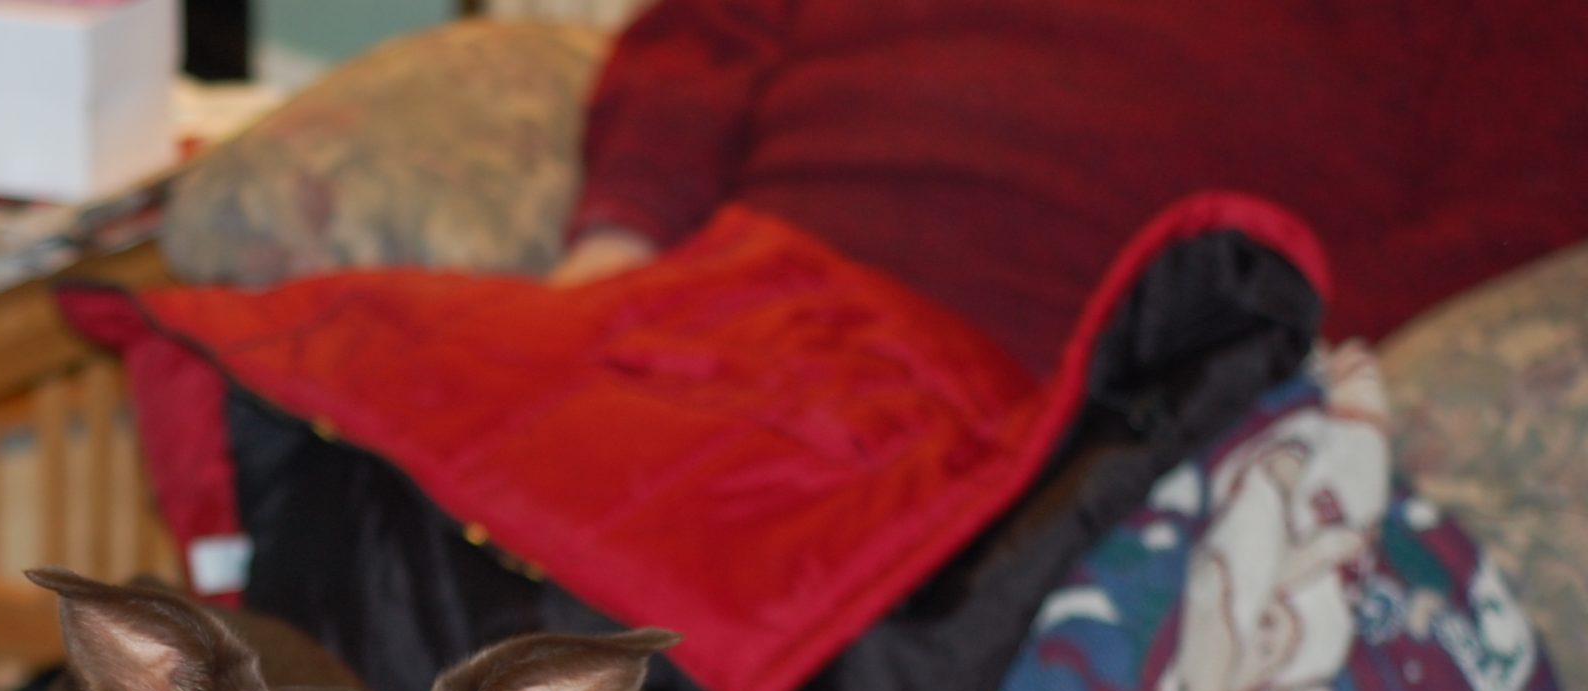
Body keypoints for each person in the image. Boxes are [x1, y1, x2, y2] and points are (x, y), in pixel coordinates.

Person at [543, 0, 1588, 375]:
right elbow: (706, 33)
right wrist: (622, 239)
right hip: (715, 328)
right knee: (378, 379)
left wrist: (1215, 356)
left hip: (1050, 412)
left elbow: (1532, 206)